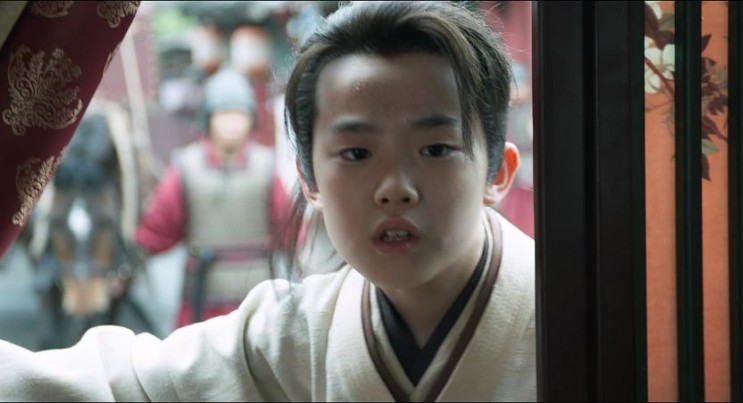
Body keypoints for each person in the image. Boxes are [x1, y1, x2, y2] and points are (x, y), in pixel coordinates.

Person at [0, 2, 534, 401]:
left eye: (435, 149)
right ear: (310, 180)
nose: (395, 187)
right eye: (356, 153)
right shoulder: (294, 336)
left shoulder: (565, 313)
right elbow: (121, 385)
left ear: (498, 173)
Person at [132, 68, 291, 329]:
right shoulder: (186, 168)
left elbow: (291, 231)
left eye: (239, 114)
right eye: (224, 114)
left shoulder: (265, 168)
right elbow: (157, 231)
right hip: (202, 304)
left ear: (251, 118)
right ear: (209, 118)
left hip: (259, 306)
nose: (232, 123)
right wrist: (127, 260)